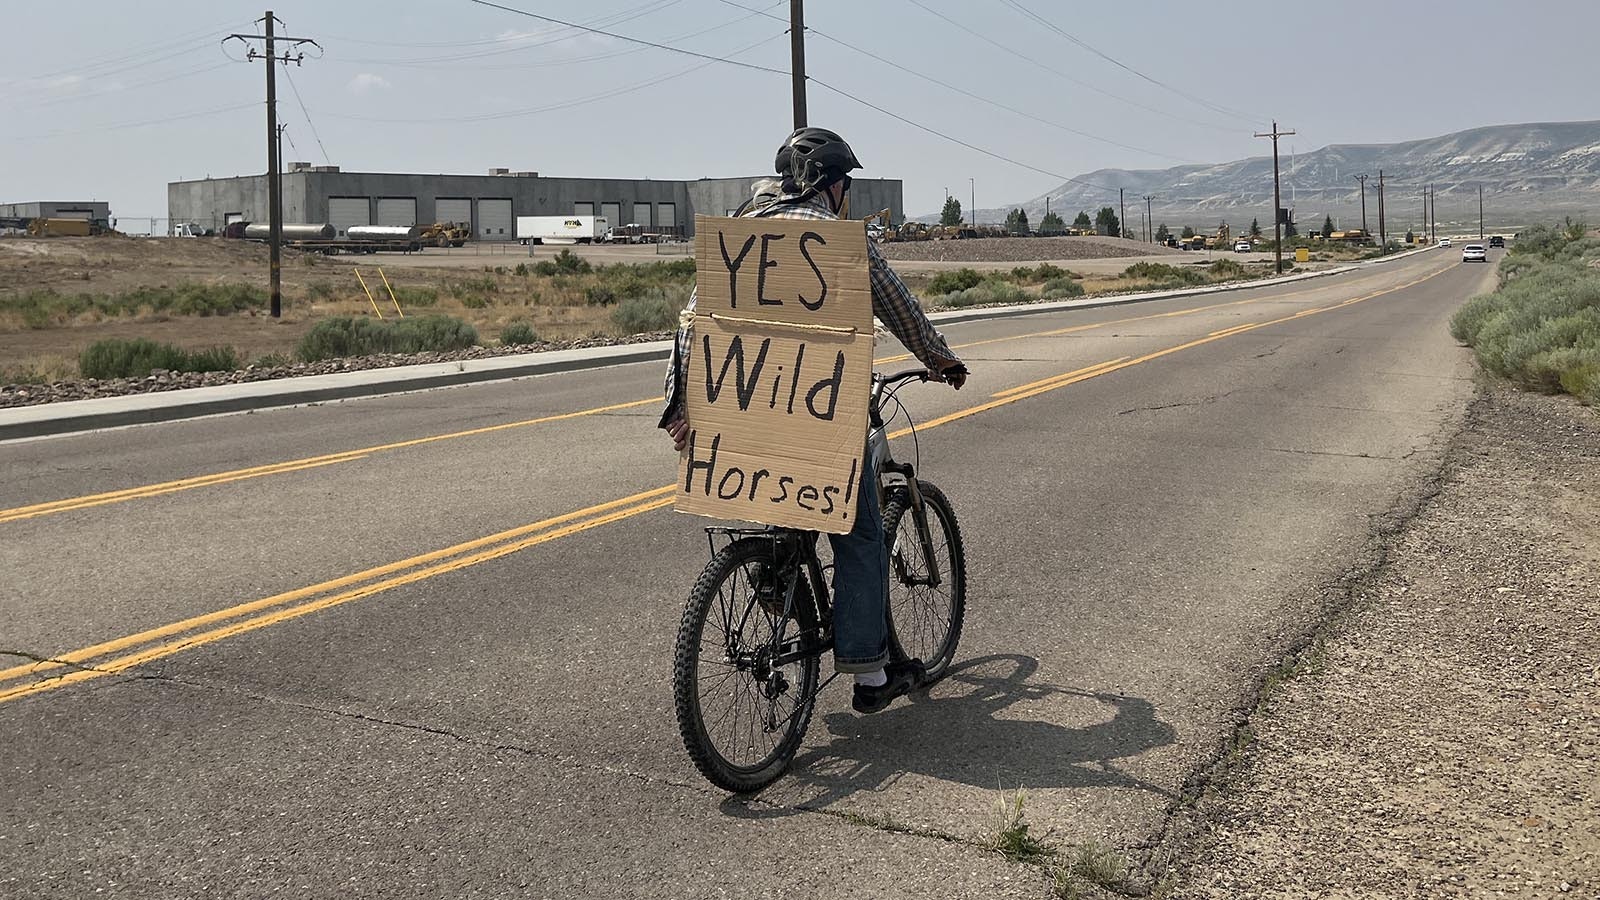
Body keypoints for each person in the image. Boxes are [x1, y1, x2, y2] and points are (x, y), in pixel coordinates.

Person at [659, 127, 968, 714]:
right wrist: (939, 358)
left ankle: (775, 590)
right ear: (832, 184)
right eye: (845, 183)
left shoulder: (742, 232)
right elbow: (897, 304)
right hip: (820, 413)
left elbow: (693, 321)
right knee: (861, 534)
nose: (846, 193)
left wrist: (679, 403)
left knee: (773, 503)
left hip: (749, 415)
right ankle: (870, 675)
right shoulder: (839, 238)